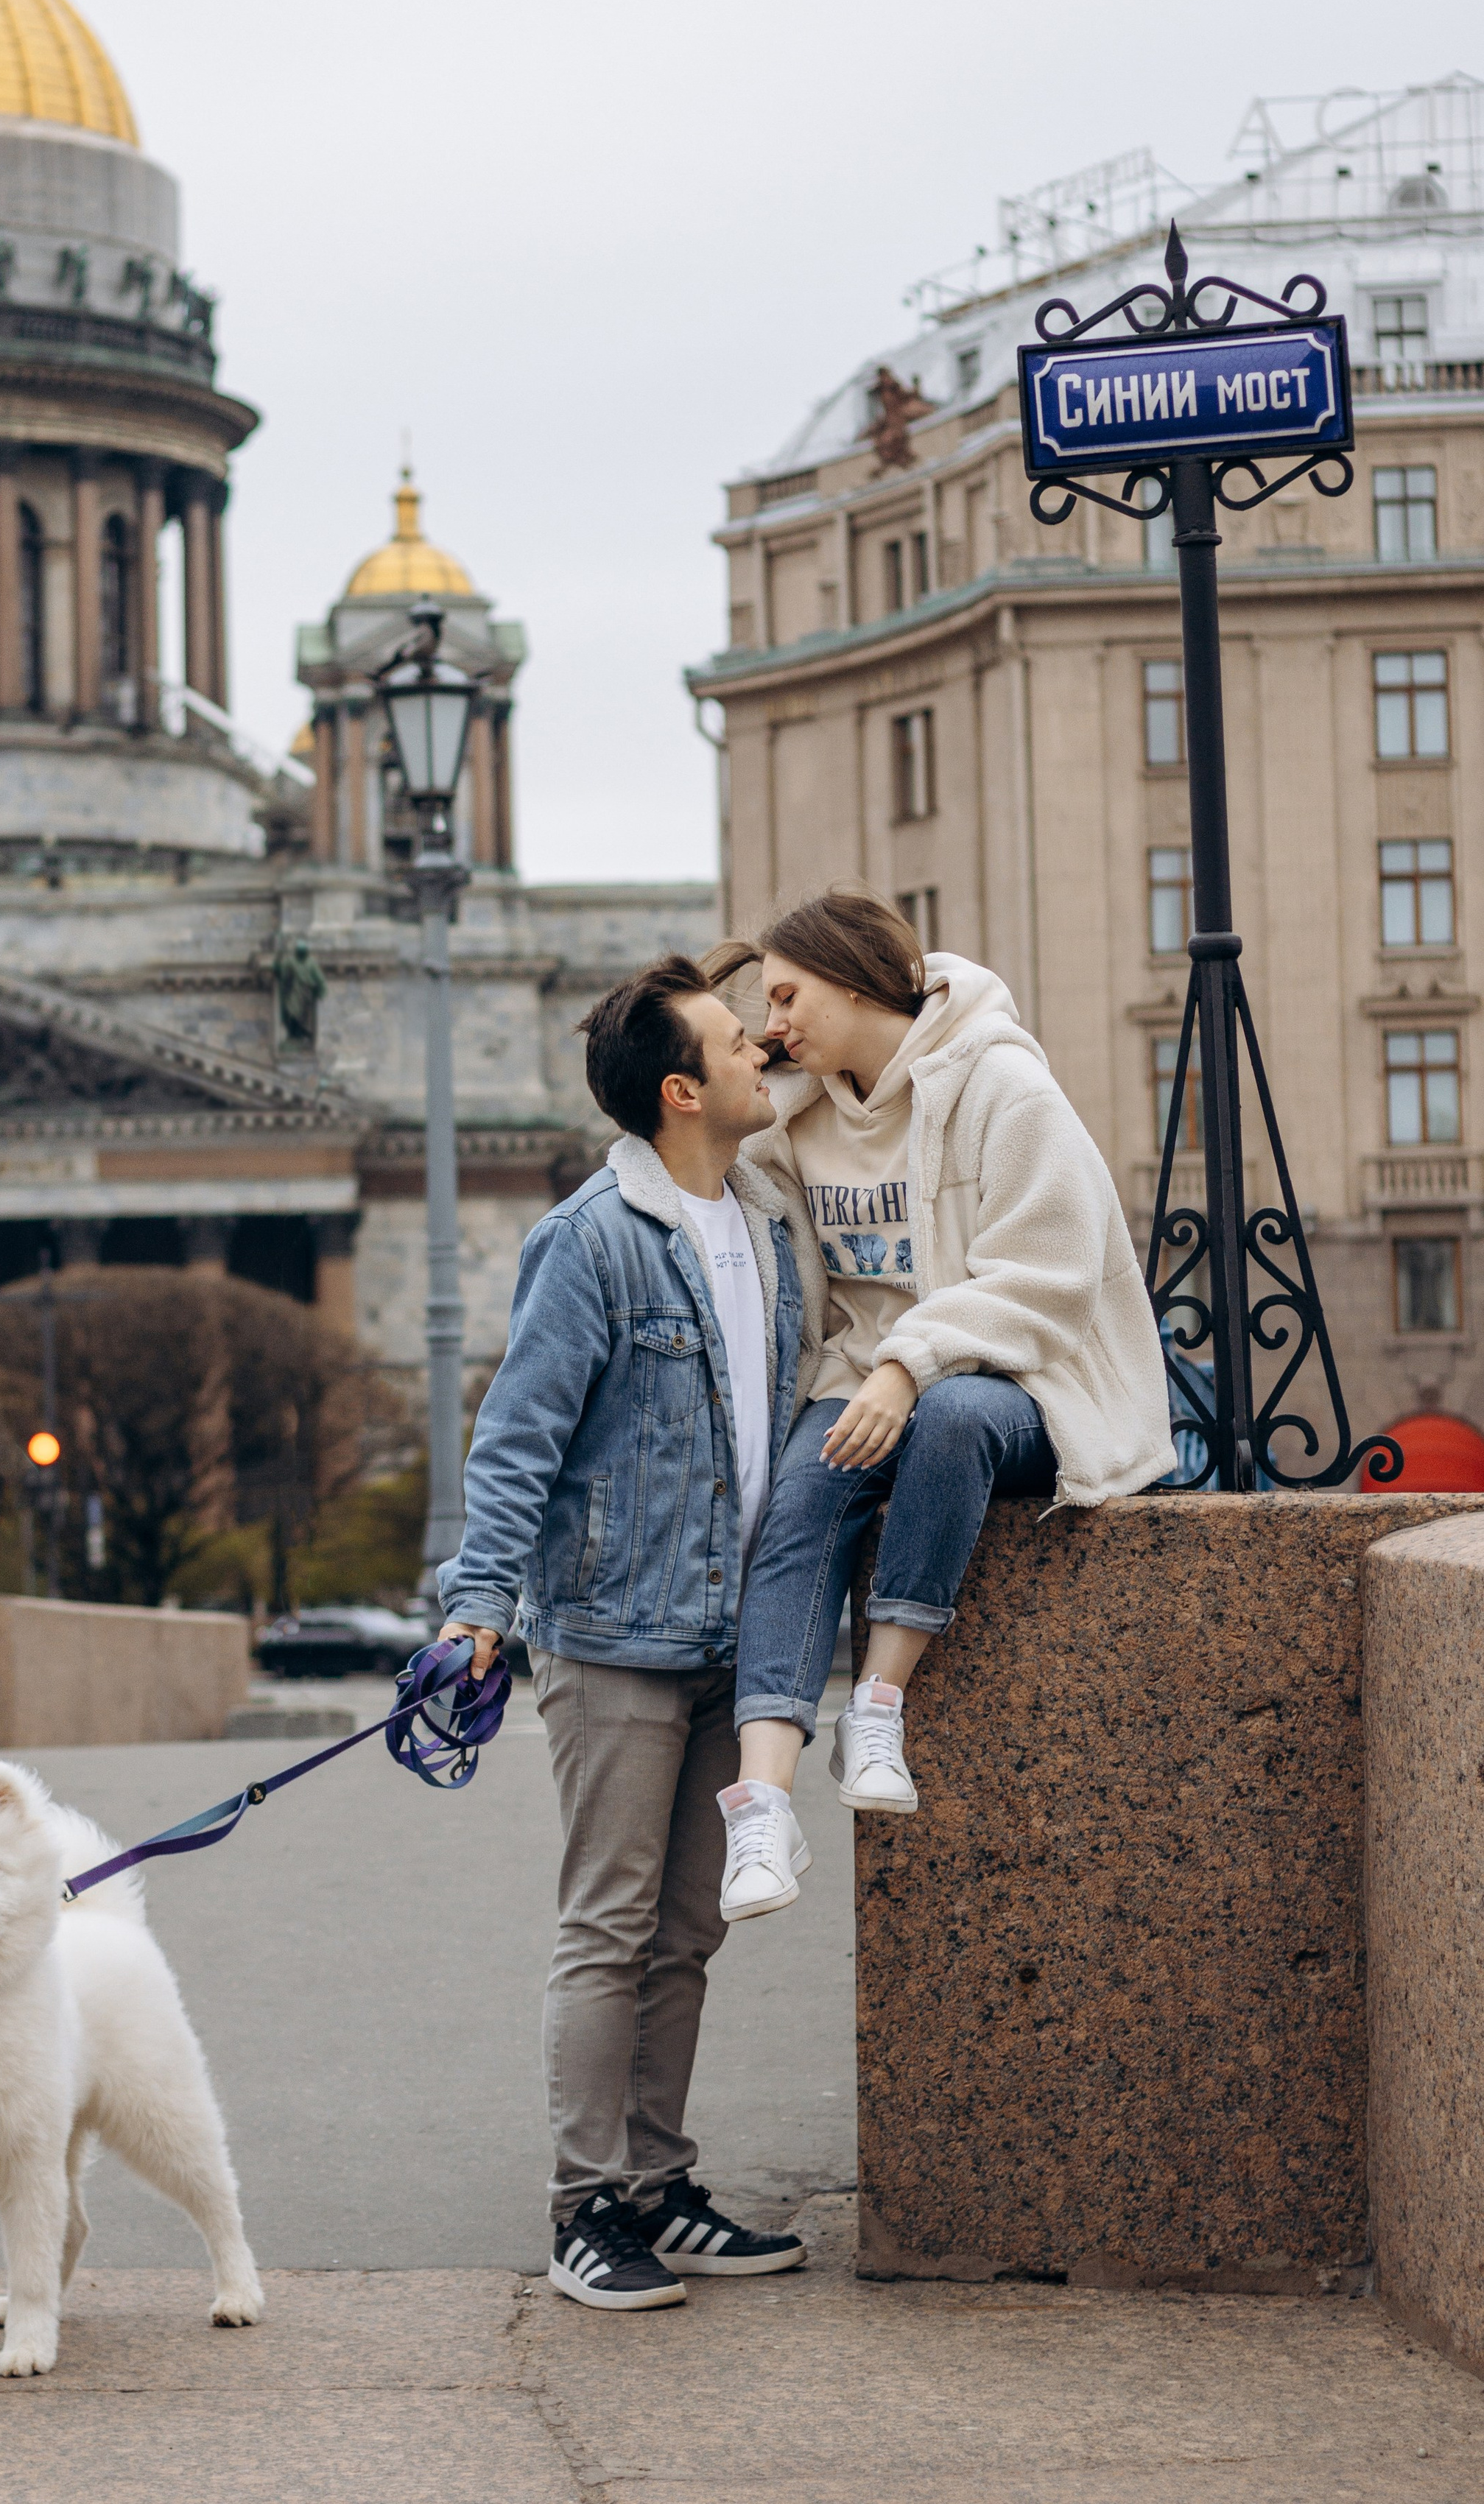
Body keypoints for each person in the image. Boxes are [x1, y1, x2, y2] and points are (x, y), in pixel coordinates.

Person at [435, 956, 819, 2310]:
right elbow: (518, 1433)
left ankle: (659, 2183)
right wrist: (479, 1602)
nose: (761, 1050)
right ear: (681, 1091)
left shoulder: (767, 1221)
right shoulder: (593, 1235)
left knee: (688, 1930)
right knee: (610, 1923)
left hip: (739, 1635)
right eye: (735, 1041)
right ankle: (585, 2205)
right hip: (610, 1636)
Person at [706, 888, 1172, 1921]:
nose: (773, 1022)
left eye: (786, 994)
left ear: (857, 975)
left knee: (954, 1419)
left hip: (1026, 1382)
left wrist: (910, 1364)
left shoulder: (1003, 1082)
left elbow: (1051, 1276)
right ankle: (763, 1813)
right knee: (800, 1499)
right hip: (866, 1384)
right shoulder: (795, 1118)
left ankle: (879, 1702)